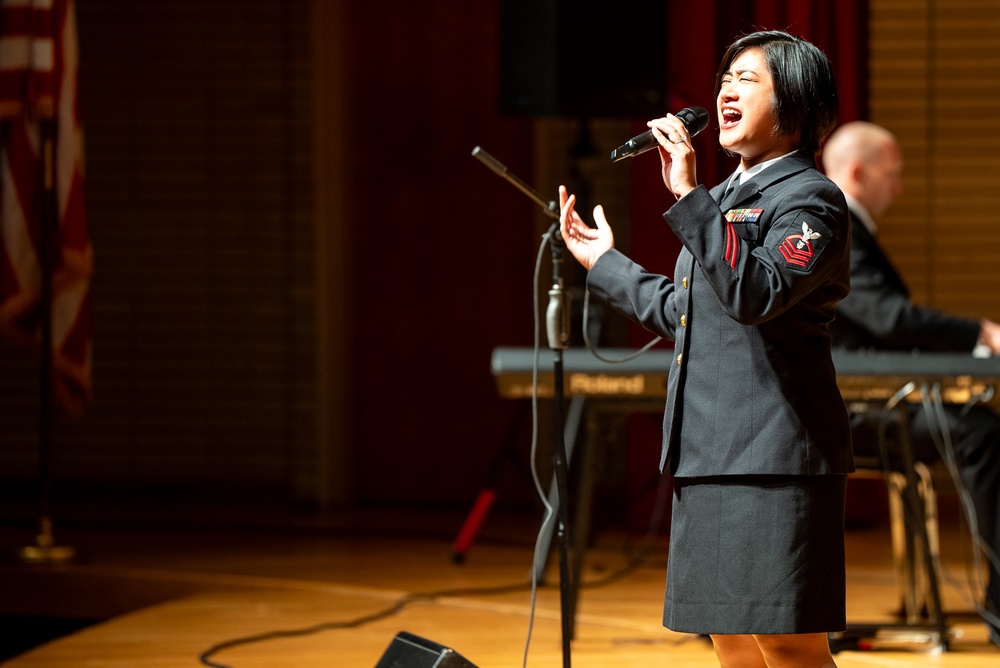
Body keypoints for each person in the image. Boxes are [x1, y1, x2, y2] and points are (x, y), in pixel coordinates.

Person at [559, 30, 852, 667]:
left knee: (787, 642)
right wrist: (603, 262)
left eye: (748, 79)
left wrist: (689, 197)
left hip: (776, 457)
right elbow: (687, 312)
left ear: (796, 103)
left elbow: (756, 292)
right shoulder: (720, 202)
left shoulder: (812, 199)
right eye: (725, 79)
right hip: (710, 452)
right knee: (729, 636)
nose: (726, 90)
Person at [822, 120, 1000, 646]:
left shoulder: (842, 227)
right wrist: (981, 333)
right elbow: (889, 319)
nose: (899, 187)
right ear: (857, 172)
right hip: (851, 414)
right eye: (893, 175)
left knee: (976, 426)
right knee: (981, 433)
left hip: (869, 403)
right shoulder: (836, 227)